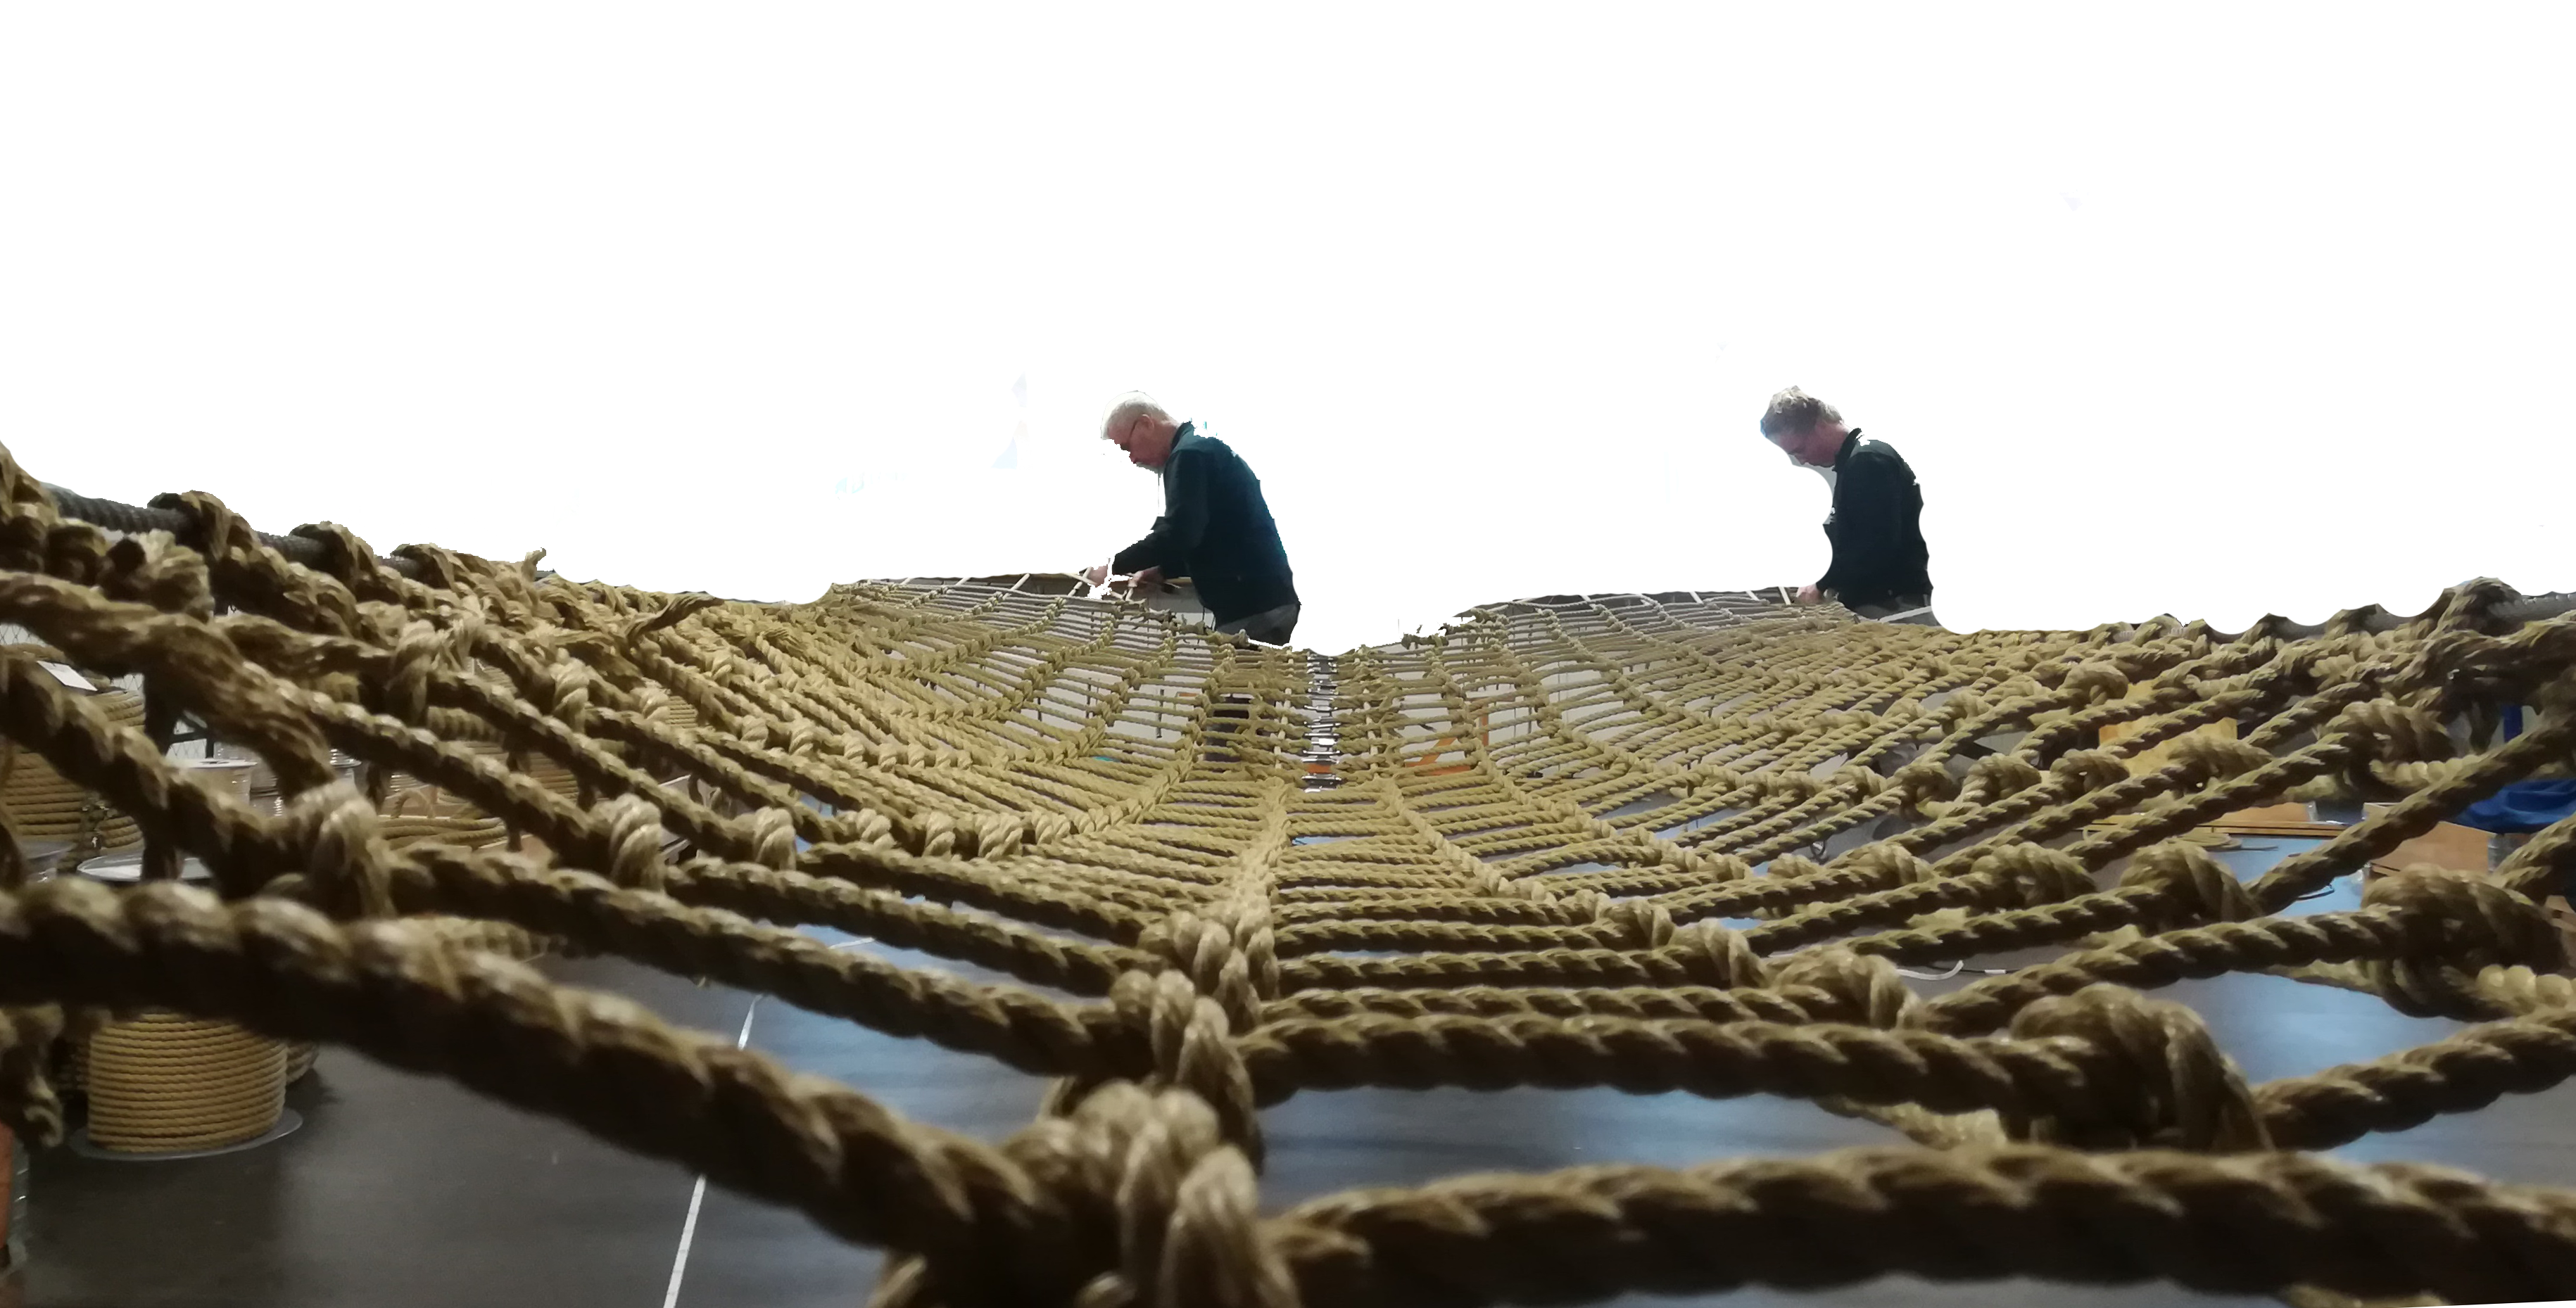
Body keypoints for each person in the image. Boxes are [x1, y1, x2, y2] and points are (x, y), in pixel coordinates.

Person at [1082, 391, 1302, 645]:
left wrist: (1112, 566)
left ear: (1145, 424)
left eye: (1127, 447)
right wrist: (1164, 570)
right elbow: (1213, 533)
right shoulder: (1202, 445)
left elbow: (1180, 533)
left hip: (1254, 607)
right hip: (1265, 599)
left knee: (1236, 672)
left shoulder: (1189, 455)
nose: (1132, 459)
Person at [1758, 386, 1938, 626]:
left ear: (1819, 426)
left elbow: (1873, 547)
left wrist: (1821, 583)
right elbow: (1858, 533)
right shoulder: (1859, 459)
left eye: (1800, 450)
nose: (1802, 460)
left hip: (1891, 605)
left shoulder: (1867, 460)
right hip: (1887, 600)